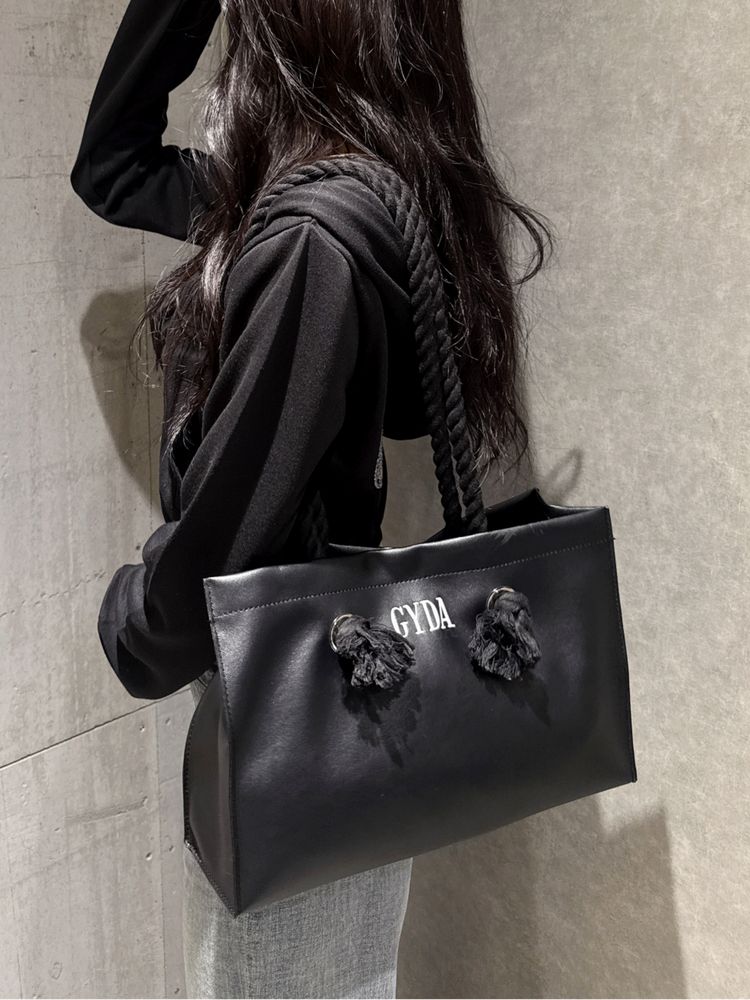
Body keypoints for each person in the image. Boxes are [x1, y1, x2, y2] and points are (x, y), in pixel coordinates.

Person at [70, 0, 553, 995]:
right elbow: (111, 168)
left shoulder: (305, 235)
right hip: (352, 689)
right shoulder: (375, 197)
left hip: (296, 706)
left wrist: (131, 618)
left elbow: (220, 545)